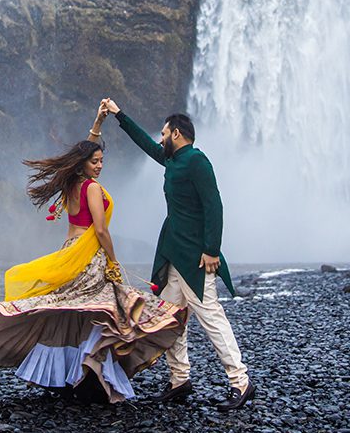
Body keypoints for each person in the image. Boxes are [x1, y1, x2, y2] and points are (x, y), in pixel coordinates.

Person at [0, 105, 187, 403]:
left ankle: (67, 374)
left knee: (72, 311)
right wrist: (112, 260)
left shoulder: (71, 183)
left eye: (101, 161)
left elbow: (85, 149)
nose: (99, 166)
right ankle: (93, 370)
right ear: (83, 164)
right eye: (95, 162)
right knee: (104, 310)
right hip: (88, 258)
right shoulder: (93, 189)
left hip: (69, 252)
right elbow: (100, 230)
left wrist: (98, 122)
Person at [102, 98, 256, 411]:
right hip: (174, 253)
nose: (160, 138)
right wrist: (120, 115)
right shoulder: (173, 160)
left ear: (176, 134)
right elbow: (146, 144)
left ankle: (241, 381)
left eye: (163, 133)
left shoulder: (197, 161)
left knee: (211, 317)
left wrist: (212, 250)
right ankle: (179, 379)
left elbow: (214, 205)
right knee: (172, 318)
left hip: (196, 257)